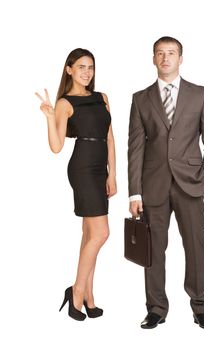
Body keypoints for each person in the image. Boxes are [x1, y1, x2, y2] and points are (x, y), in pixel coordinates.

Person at [128, 36, 204, 329]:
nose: (165, 58)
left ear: (181, 59)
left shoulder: (200, 94)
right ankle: (156, 308)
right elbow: (136, 148)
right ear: (153, 59)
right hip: (153, 186)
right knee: (152, 250)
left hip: (191, 183)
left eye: (171, 53)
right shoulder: (140, 99)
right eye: (160, 53)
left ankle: (201, 307)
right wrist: (135, 192)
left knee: (196, 246)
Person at [36, 48, 117, 321]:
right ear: (69, 69)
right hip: (82, 168)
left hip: (100, 168)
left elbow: (110, 137)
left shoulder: (101, 97)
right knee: (101, 234)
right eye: (81, 66)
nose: (87, 72)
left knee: (89, 234)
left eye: (91, 67)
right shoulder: (64, 103)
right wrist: (49, 118)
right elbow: (57, 146)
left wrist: (113, 174)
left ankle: (89, 296)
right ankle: (77, 290)